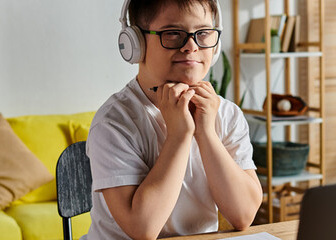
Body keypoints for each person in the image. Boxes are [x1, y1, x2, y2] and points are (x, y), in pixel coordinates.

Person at [83, 0, 262, 239]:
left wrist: (206, 133)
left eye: (203, 33)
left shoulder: (226, 114)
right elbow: (143, 229)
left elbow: (244, 214)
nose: (191, 46)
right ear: (135, 44)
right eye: (173, 34)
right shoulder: (114, 123)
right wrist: (179, 135)